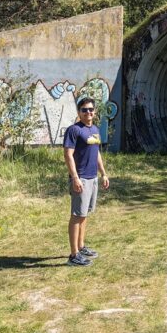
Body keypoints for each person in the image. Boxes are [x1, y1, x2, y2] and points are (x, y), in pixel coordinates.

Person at [63, 97, 109, 266]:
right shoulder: (74, 130)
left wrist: (103, 173)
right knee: (77, 215)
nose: (88, 112)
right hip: (81, 178)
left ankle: (81, 246)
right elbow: (68, 155)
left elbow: (96, 153)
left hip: (93, 177)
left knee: (84, 214)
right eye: (84, 110)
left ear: (94, 112)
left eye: (90, 109)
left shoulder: (95, 129)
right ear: (79, 112)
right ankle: (74, 255)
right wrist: (75, 177)